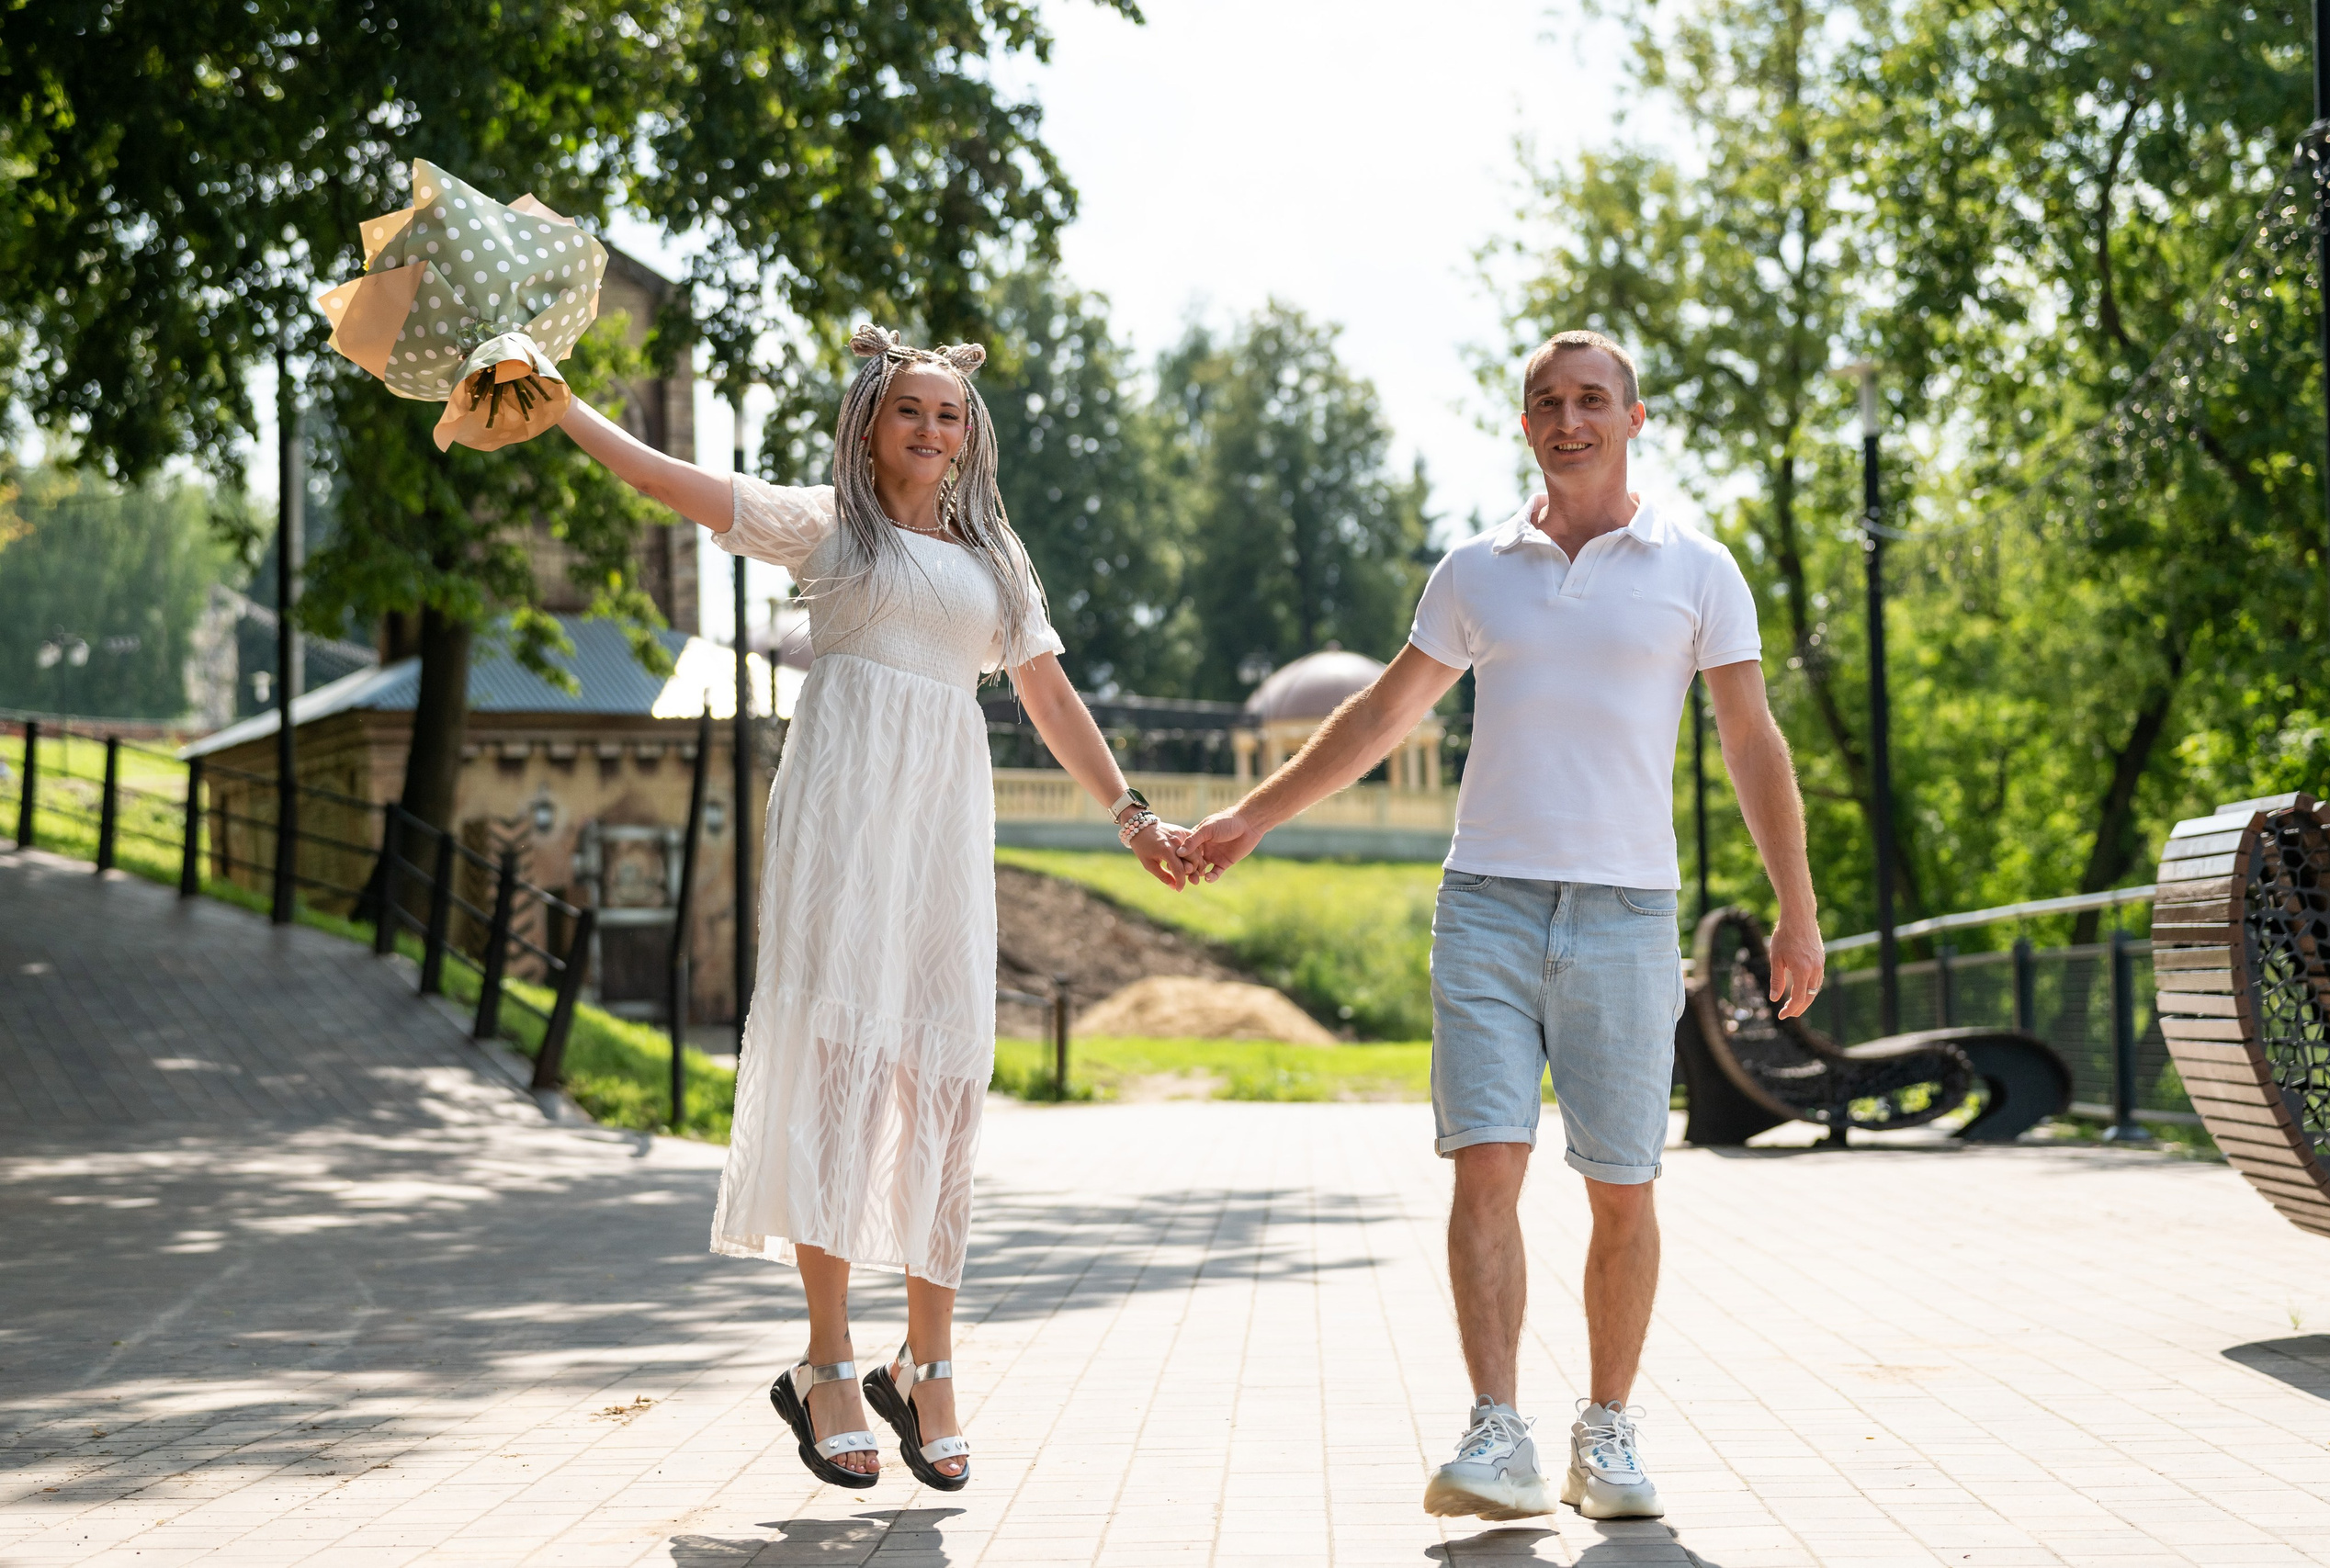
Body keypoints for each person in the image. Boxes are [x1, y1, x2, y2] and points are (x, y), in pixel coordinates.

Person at [1179, 329, 1826, 1522]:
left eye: (1592, 398)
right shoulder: (1478, 568)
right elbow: (1382, 712)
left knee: (1622, 1184)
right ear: (1523, 422)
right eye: (1546, 399)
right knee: (1487, 1160)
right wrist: (1251, 816)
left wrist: (1798, 905)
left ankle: (1610, 1429)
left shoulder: (1699, 569)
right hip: (1484, 901)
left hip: (1629, 915)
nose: (1568, 416)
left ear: (1637, 419)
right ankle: (1497, 1429)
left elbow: (1751, 738)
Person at [556, 325, 1193, 1492]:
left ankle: (930, 1362)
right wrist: (559, 407)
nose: (933, 429)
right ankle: (827, 1363)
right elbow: (662, 479)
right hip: (845, 813)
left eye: (949, 414)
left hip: (944, 820)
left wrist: (1132, 814)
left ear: (969, 435)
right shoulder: (830, 527)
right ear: (869, 421)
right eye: (912, 410)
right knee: (843, 1068)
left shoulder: (997, 553)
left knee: (946, 1077)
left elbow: (1047, 690)